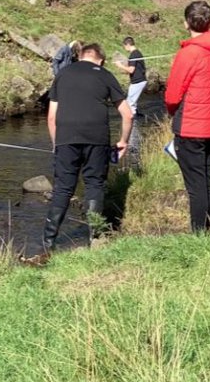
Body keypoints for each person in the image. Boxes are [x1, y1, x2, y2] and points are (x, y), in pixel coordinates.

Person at [21, 43, 132, 267]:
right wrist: (123, 142)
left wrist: (56, 145)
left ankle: (48, 243)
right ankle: (96, 238)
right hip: (97, 138)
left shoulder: (62, 75)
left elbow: (52, 117)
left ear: (80, 57)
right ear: (101, 60)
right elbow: (127, 114)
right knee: (94, 184)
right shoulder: (106, 75)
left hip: (66, 138)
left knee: (63, 187)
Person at [164, 0, 210, 233]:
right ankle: (209, 227)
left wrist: (173, 113)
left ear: (186, 23)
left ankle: (200, 234)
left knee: (195, 185)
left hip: (192, 126)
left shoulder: (189, 53)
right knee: (205, 179)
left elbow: (173, 94)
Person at [114, 36, 147, 116]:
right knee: (132, 102)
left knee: (129, 104)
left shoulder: (133, 55)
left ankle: (134, 123)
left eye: (124, 46)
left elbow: (131, 70)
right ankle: (137, 117)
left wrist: (120, 65)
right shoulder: (137, 53)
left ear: (128, 44)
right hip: (139, 80)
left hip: (138, 81)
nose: (125, 48)